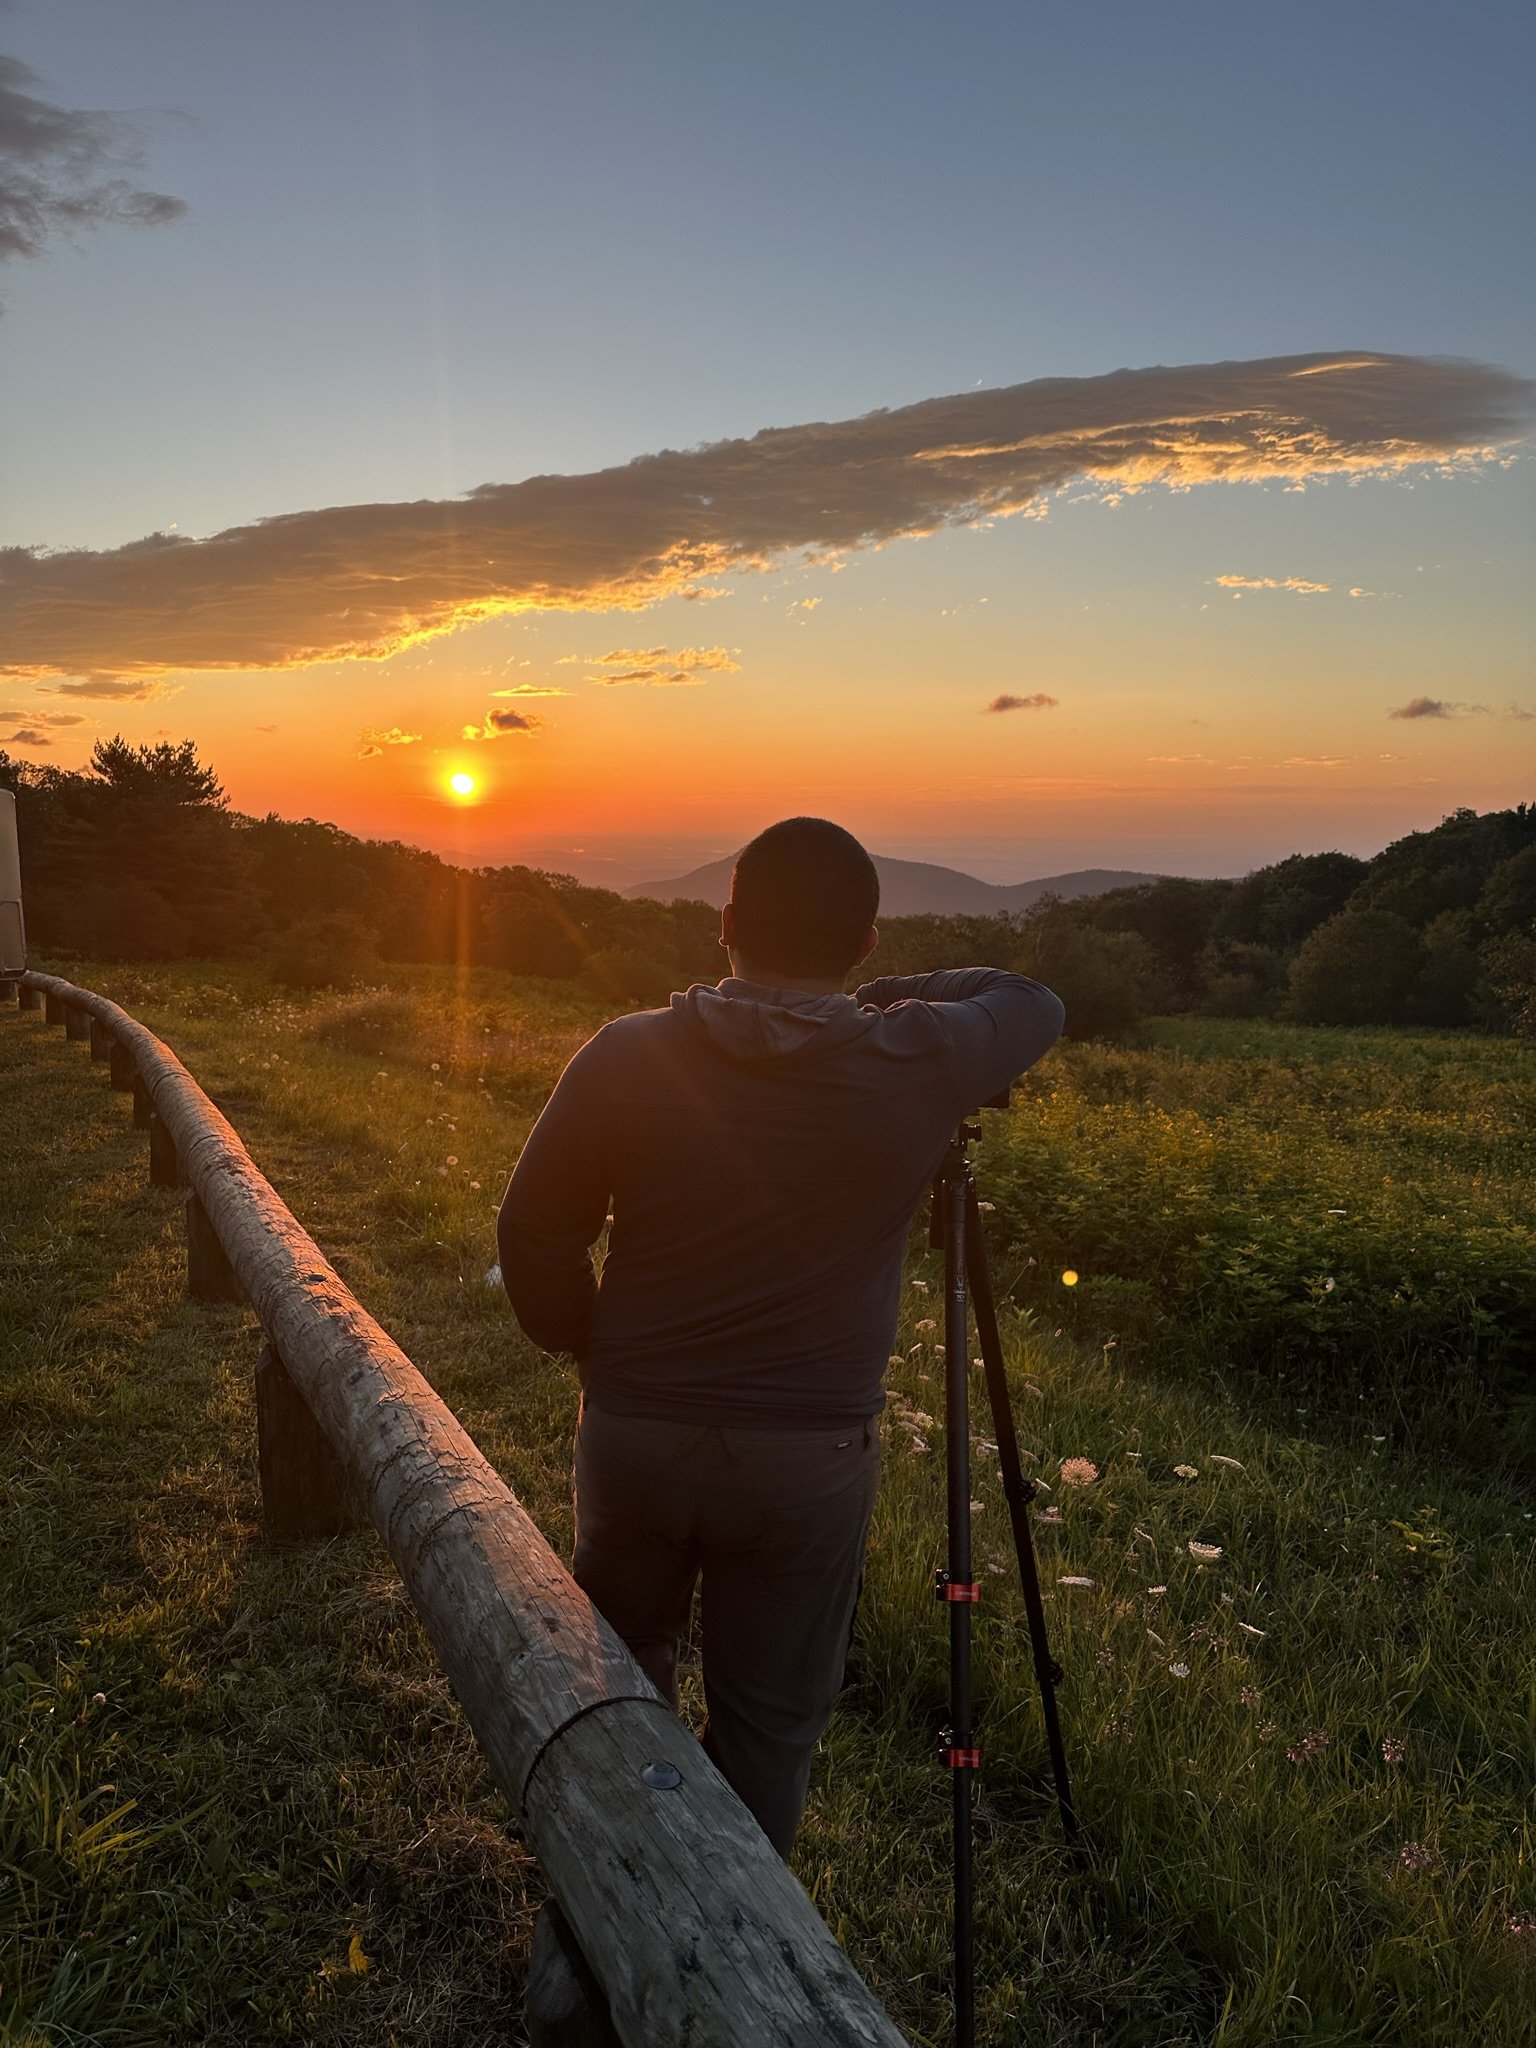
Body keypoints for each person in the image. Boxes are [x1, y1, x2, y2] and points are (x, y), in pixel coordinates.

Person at [497, 817, 1063, 1855]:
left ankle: (601, 1901)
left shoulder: (626, 1051)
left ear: (724, 925)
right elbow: (1030, 999)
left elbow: (533, 1228)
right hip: (807, 1457)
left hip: (636, 1428)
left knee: (621, 1677)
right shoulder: (918, 1052)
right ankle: (729, 1953)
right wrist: (884, 996)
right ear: (865, 944)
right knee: (767, 1725)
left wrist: (590, 1344)